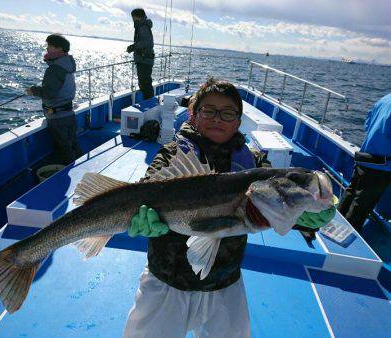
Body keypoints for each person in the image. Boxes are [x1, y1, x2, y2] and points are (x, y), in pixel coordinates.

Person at [123, 78, 333, 338]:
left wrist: (308, 215)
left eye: (228, 113)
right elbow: (149, 183)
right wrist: (141, 217)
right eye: (208, 111)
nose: (217, 119)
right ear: (193, 114)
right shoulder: (173, 154)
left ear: (238, 120)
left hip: (225, 281)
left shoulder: (255, 164)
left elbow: (275, 202)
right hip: (167, 279)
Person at [26, 34, 82, 165]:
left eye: (50, 46)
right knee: (73, 143)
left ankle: (73, 174)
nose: (47, 49)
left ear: (60, 49)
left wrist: (33, 90)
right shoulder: (67, 64)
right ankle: (83, 166)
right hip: (69, 113)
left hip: (58, 118)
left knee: (64, 148)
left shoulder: (55, 69)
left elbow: (49, 93)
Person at [338, 93, 391, 232]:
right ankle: (344, 236)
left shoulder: (385, 99)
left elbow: (367, 124)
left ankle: (334, 223)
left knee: (351, 192)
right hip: (382, 166)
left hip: (365, 156)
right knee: (361, 205)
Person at [126, 8, 155, 100]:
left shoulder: (143, 27)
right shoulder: (142, 26)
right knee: (144, 83)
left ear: (137, 17)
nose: (132, 19)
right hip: (144, 59)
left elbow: (146, 42)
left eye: (133, 17)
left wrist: (133, 47)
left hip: (144, 60)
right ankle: (148, 103)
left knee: (145, 83)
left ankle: (149, 104)